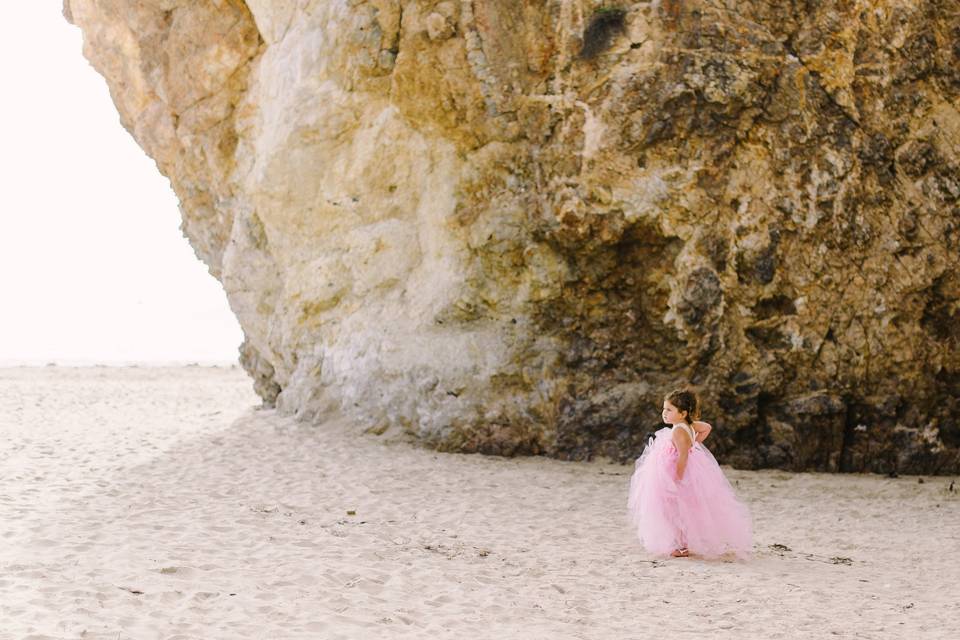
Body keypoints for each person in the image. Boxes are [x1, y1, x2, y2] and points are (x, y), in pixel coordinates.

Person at [626, 388, 752, 559]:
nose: (664, 413)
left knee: (674, 509)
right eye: (664, 409)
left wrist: (677, 477)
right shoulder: (689, 425)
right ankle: (685, 543)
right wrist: (694, 443)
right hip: (694, 469)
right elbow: (707, 427)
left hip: (677, 471)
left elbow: (683, 455)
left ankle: (681, 546)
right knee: (688, 508)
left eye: (669, 410)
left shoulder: (678, 430)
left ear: (683, 413)